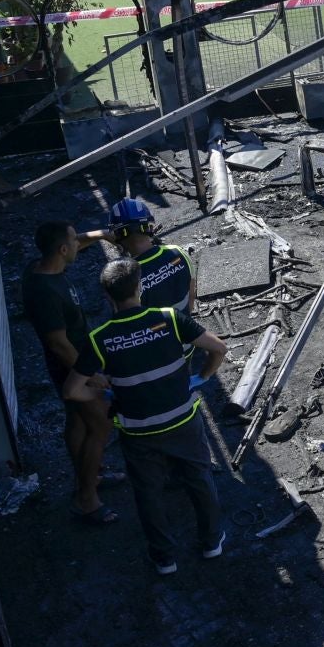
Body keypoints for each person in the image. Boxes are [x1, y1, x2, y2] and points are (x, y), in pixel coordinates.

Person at [67, 257, 229, 576]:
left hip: (139, 431)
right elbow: (218, 348)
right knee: (199, 479)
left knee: (148, 492)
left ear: (106, 295)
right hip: (183, 420)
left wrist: (107, 391)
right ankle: (212, 542)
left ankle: (164, 558)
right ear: (139, 287)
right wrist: (203, 378)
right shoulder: (168, 318)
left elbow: (72, 391)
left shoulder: (99, 338)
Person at [23, 221, 116, 525]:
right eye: (75, 241)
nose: (80, 244)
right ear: (63, 250)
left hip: (75, 362)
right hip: (71, 366)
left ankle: (90, 476)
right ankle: (86, 500)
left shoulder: (42, 266)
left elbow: (76, 243)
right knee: (100, 425)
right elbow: (58, 343)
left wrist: (102, 234)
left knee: (78, 420)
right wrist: (89, 375)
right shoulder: (46, 293)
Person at [83, 198, 196, 313]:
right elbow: (191, 294)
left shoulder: (126, 276)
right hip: (186, 325)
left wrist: (100, 235)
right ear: (150, 227)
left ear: (117, 236)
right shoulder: (178, 252)